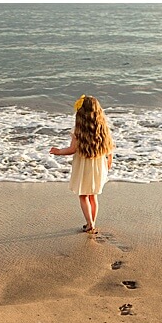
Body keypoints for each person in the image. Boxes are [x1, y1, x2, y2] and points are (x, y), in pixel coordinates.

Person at [49, 95, 115, 234]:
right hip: (98, 166)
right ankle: (93, 222)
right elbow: (110, 148)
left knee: (83, 195)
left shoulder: (78, 131)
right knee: (93, 195)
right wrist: (109, 161)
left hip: (83, 167)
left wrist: (58, 152)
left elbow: (72, 150)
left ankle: (89, 223)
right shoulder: (103, 129)